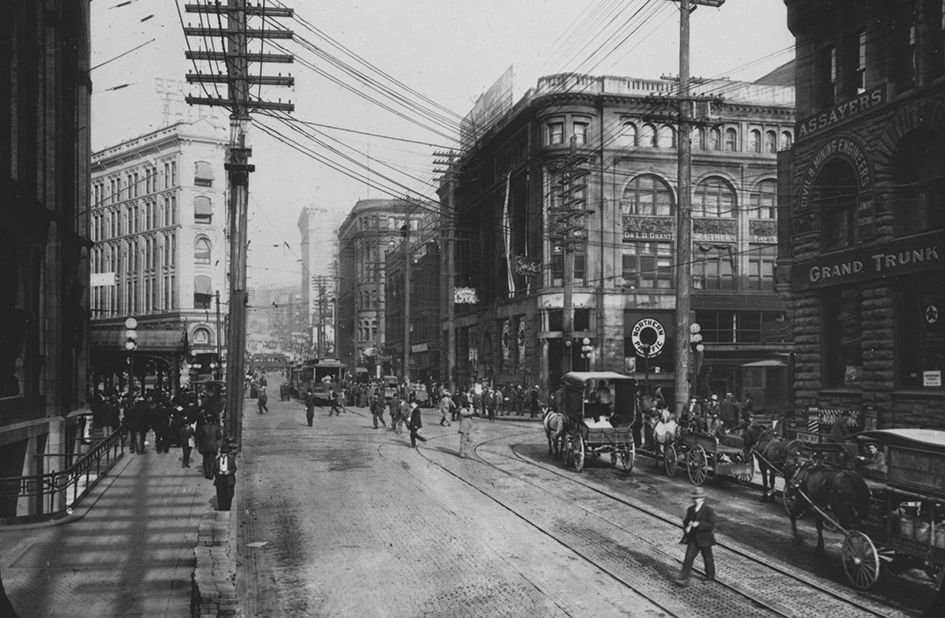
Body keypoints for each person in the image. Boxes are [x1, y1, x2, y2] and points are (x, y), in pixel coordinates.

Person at [677, 486, 717, 586]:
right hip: (694, 539)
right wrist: (686, 528)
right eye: (694, 498)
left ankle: (710, 577)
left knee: (707, 559)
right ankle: (683, 578)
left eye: (698, 498)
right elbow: (686, 521)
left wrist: (698, 524)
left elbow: (711, 525)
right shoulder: (690, 510)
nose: (696, 500)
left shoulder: (708, 510)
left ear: (703, 498)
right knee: (688, 557)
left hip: (705, 539)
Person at [196, 410, 222, 480]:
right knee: (212, 460)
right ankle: (211, 473)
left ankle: (207, 472)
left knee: (205, 459)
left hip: (204, 446)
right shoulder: (216, 427)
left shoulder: (203, 427)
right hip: (213, 446)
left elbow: (200, 436)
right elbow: (219, 436)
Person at [214, 438, 238, 511]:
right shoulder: (217, 460)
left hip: (229, 479)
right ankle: (222, 509)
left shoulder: (231, 460)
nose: (223, 455)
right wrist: (218, 472)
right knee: (221, 495)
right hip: (220, 479)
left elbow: (234, 468)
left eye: (225, 453)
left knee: (229, 495)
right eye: (222, 453)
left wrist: (229, 472)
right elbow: (214, 469)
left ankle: (227, 508)